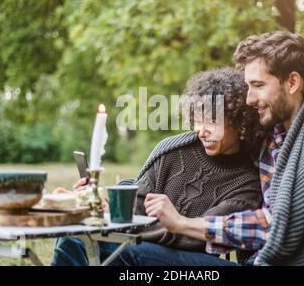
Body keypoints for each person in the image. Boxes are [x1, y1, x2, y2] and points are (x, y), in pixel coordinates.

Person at [136, 31, 304, 265]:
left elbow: (277, 226)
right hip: (256, 260)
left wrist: (181, 224)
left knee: (130, 257)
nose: (248, 99)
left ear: (292, 82)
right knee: (111, 249)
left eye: (258, 86)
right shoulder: (280, 132)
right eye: (248, 87)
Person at [52, 67, 265, 266]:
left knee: (120, 250)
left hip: (191, 259)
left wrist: (138, 224)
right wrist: (107, 209)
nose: (201, 131)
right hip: (145, 245)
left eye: (211, 122)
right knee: (75, 235)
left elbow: (196, 239)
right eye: (197, 121)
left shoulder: (248, 181)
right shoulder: (172, 151)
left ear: (239, 121)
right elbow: (135, 207)